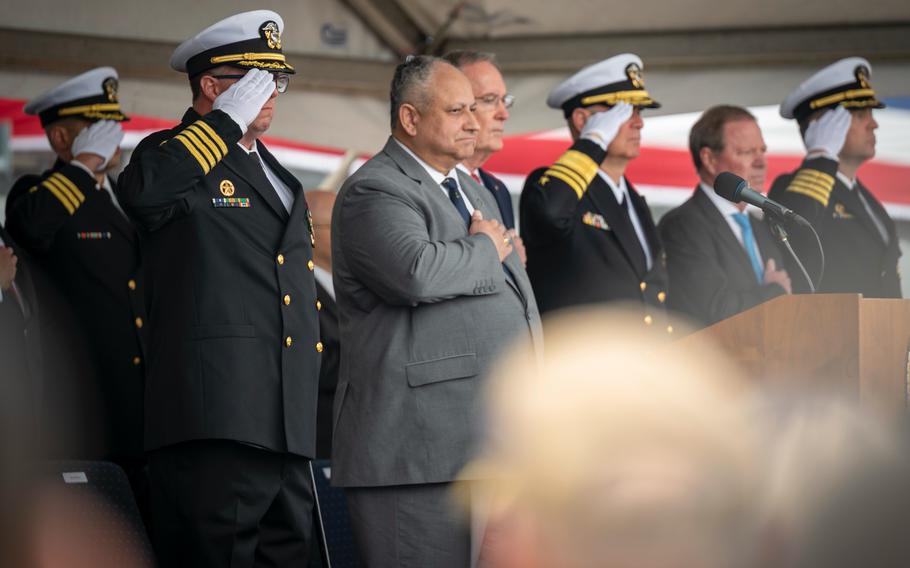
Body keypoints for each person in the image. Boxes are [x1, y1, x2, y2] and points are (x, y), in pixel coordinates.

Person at [117, 10, 320, 567]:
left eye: (276, 80)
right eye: (255, 80)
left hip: (284, 423)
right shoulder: (171, 155)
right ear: (212, 86)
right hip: (214, 418)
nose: (271, 94)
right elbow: (142, 195)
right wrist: (223, 124)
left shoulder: (281, 177)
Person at [331, 55, 543, 568]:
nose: (474, 122)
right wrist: (485, 250)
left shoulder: (468, 186)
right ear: (410, 119)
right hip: (416, 452)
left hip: (480, 441)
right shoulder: (375, 189)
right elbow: (416, 272)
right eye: (457, 110)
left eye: (476, 108)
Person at [4, 67, 147, 487]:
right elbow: (29, 228)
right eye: (95, 128)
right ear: (60, 139)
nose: (111, 136)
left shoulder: (126, 197)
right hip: (87, 407)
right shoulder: (36, 194)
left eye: (113, 125)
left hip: (143, 408)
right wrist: (84, 164)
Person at [519, 53, 670, 330]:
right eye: (623, 111)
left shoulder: (633, 200)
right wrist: (593, 141)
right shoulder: (550, 187)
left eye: (639, 111)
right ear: (581, 119)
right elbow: (551, 213)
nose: (638, 123)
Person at [767, 57, 901, 297]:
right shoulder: (789, 189)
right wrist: (821, 157)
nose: (874, 124)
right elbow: (798, 239)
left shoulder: (867, 200)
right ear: (822, 126)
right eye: (860, 115)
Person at [659, 105, 791, 327]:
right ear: (709, 159)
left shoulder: (761, 227)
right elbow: (717, 311)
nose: (761, 162)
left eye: (762, 150)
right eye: (746, 152)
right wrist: (776, 291)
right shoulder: (683, 225)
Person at [444, 50, 526, 264]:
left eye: (504, 101)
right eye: (490, 100)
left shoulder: (497, 188)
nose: (503, 114)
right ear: (453, 106)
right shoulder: (434, 183)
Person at [305, 189, 339, 459]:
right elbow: (312, 365)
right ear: (310, 231)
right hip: (321, 441)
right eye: (338, 224)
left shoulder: (356, 289)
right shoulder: (297, 293)